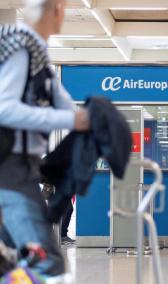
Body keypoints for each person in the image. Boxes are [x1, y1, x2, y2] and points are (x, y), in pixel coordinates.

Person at [0, 0, 90, 280]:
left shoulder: (39, 55)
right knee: (45, 260)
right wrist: (71, 121)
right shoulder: (22, 46)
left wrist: (91, 120)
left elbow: (63, 104)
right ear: (58, 8)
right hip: (10, 167)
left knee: (15, 258)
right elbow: (5, 108)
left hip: (24, 167)